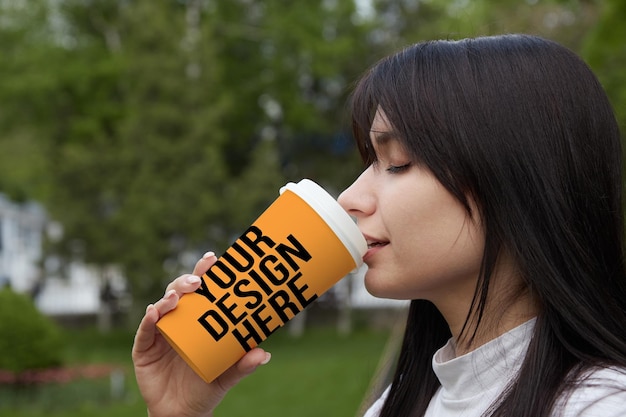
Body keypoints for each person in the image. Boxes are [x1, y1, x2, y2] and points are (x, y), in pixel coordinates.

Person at [132, 34, 626, 417]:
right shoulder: (405, 399)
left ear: (515, 177)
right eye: (371, 160)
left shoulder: (599, 405)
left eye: (398, 162)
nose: (350, 198)